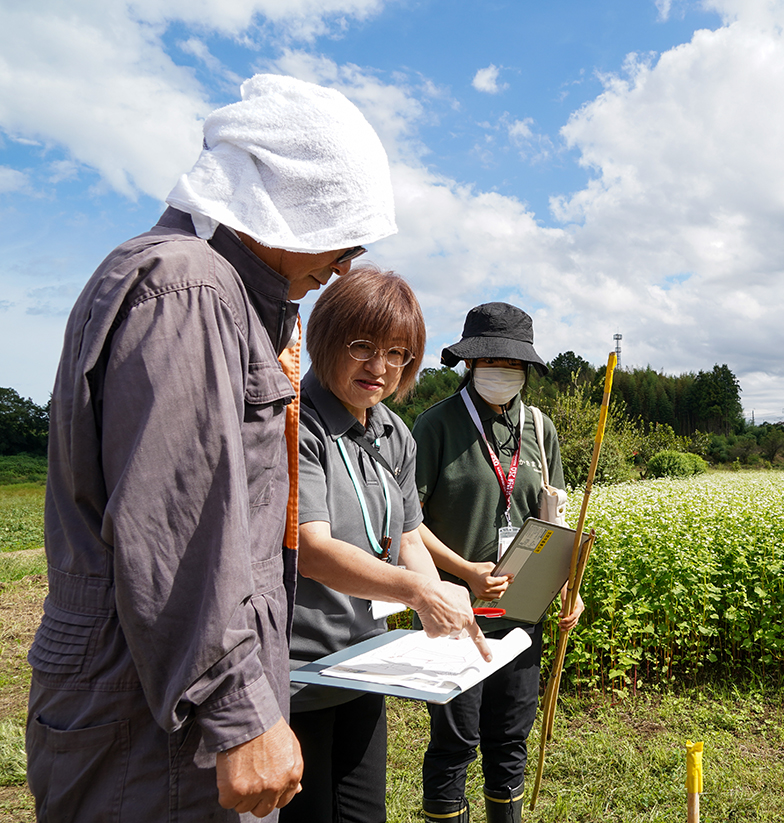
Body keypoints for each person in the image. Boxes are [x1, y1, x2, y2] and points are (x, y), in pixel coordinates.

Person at [27, 74, 481, 821]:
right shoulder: (192, 291)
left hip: (160, 705)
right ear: (286, 206)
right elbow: (179, 531)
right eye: (340, 235)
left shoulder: (210, 291)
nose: (340, 265)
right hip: (159, 729)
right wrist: (240, 712)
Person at [282, 267, 489, 823]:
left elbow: (406, 534)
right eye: (362, 347)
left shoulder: (393, 432)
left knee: (365, 812)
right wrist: (420, 592)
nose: (380, 368)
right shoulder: (298, 423)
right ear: (326, 341)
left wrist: (441, 601)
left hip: (365, 661)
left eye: (398, 353)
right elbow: (312, 548)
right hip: (298, 670)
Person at [412, 302, 585, 823]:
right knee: (455, 740)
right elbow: (407, 526)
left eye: (513, 363)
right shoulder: (435, 426)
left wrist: (569, 586)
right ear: (469, 362)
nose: (502, 371)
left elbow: (551, 519)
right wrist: (466, 571)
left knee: (509, 739)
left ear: (526, 369)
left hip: (522, 616)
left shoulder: (540, 428)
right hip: (455, 614)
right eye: (490, 359)